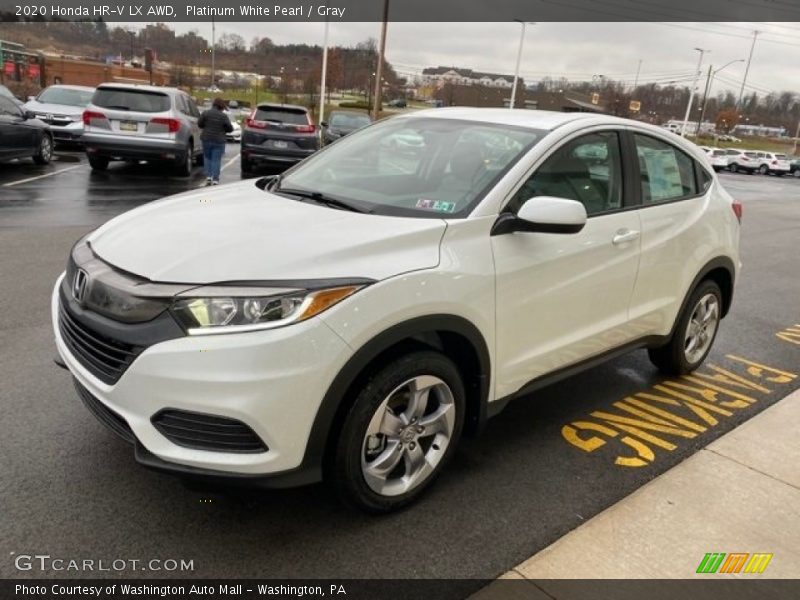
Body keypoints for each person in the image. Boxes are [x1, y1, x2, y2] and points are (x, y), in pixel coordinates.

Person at [198, 97, 233, 185]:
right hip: (219, 140)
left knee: (207, 157)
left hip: (206, 139)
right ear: (221, 107)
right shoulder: (223, 116)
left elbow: (200, 124)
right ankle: (215, 179)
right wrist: (224, 130)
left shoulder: (205, 113)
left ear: (213, 104)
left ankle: (208, 176)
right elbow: (230, 128)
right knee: (216, 160)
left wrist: (206, 126)